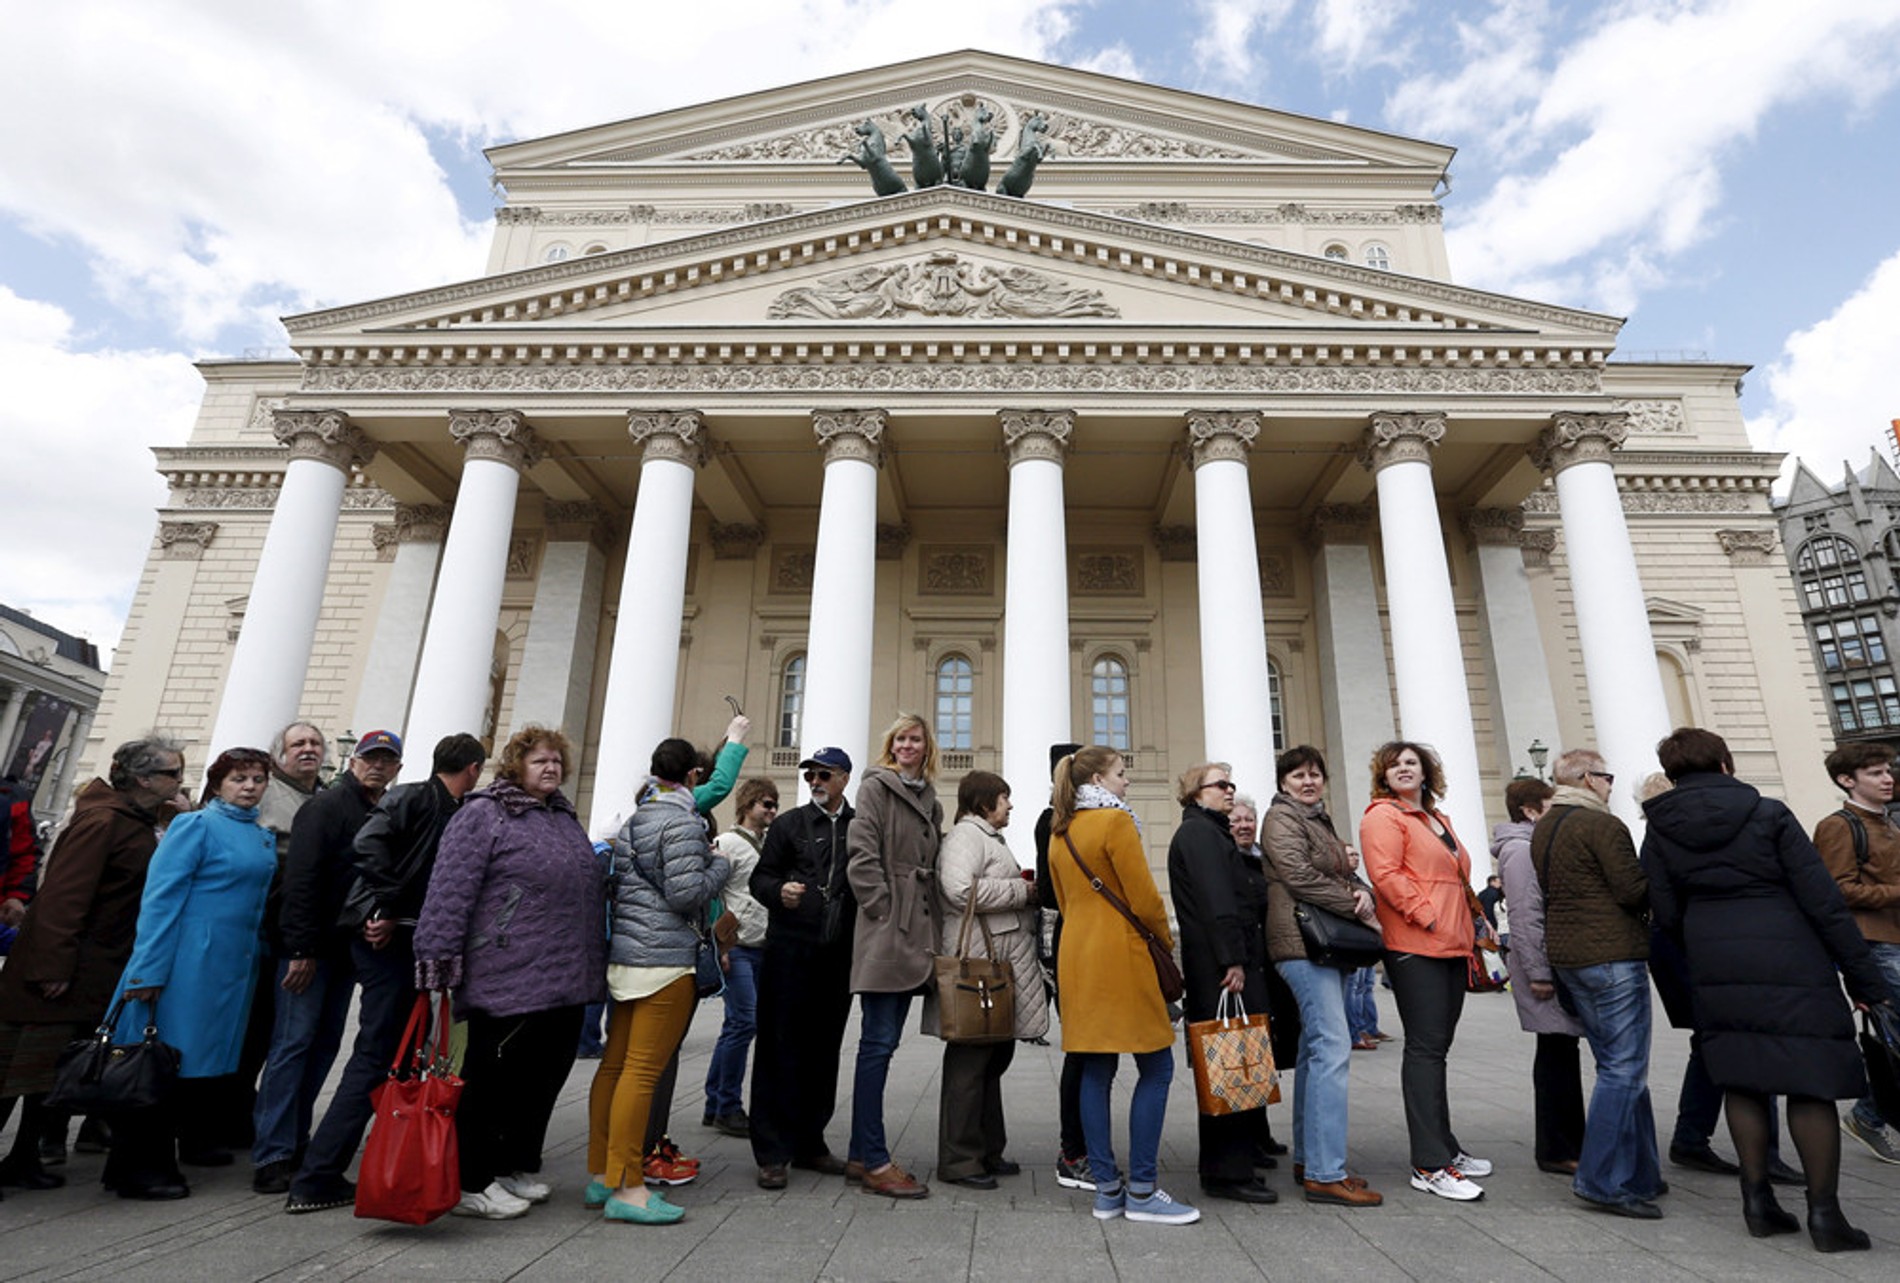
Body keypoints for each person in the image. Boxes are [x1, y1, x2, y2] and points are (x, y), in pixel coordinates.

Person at [1643, 726, 1897, 1253]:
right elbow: (1822, 900)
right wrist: (1863, 978)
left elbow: (1664, 912)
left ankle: (1757, 1204)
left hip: (1715, 959)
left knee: (1743, 1079)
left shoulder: (1660, 828)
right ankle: (1825, 1217)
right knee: (1810, 1084)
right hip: (1790, 955)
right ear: (1725, 763)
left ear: (1672, 774)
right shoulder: (1767, 813)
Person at [284, 732, 487, 1214]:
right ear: (475, 769)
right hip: (388, 942)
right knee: (376, 1055)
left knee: (394, 1054)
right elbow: (368, 846)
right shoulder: (416, 798)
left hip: (403, 939)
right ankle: (317, 1175)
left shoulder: (441, 805)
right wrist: (389, 905)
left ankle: (357, 1163)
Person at [413, 725, 606, 1220]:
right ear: (516, 765)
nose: (551, 769)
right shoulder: (484, 814)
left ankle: (511, 1164)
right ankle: (471, 1180)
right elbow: (450, 889)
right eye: (540, 761)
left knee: (541, 1077)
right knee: (492, 1078)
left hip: (563, 975)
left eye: (557, 762)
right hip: (507, 972)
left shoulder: (561, 816)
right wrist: (438, 959)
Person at [0, 737, 185, 1196]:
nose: (180, 783)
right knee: (11, 1075)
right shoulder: (103, 820)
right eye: (172, 774)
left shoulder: (133, 820)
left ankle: (23, 1157)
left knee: (45, 1078)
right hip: (55, 973)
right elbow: (63, 898)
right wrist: (52, 967)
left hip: (86, 970)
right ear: (143, 779)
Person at [106, 746, 279, 1200]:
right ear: (218, 784)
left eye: (257, 779)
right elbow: (160, 900)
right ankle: (139, 1166)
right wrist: (146, 971)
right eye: (239, 778)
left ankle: (192, 1141)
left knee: (203, 1063)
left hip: (232, 964)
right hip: (186, 962)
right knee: (164, 1062)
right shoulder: (194, 825)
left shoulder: (258, 833)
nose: (249, 787)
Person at [1047, 745, 1199, 1225]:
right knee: (1156, 1066)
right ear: (1097, 778)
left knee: (1095, 1070)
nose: (1127, 781)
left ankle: (1108, 1190)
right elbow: (1145, 899)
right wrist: (1163, 943)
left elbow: (1064, 901)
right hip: (1122, 953)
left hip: (1077, 954)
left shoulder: (1061, 829)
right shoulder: (1115, 822)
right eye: (1120, 772)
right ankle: (1143, 1189)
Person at [249, 729, 402, 1194]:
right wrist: (299, 949)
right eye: (369, 758)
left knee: (323, 1046)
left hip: (345, 950)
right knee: (292, 1046)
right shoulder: (328, 807)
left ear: (396, 768)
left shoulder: (381, 811)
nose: (376, 766)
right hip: (309, 950)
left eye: (386, 760)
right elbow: (302, 881)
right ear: (353, 762)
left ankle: (296, 1141)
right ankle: (273, 1153)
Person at [588, 737, 731, 1226]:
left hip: (627, 954)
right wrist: (721, 864)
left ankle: (600, 1173)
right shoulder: (683, 821)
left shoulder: (638, 818)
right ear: (693, 775)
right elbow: (687, 892)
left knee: (613, 1066)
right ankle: (627, 1187)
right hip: (666, 959)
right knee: (642, 1072)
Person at [1532, 748, 1663, 1218]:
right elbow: (1631, 890)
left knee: (1617, 1067)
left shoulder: (1545, 825)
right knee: (1624, 1069)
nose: (1611, 784)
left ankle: (1643, 1172)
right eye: (1606, 776)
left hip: (1570, 956)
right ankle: (1601, 1179)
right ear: (1589, 779)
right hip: (1610, 953)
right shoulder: (1602, 824)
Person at [1360, 740, 1491, 1202]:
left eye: (1411, 763)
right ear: (1384, 774)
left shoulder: (1437, 820)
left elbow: (1455, 878)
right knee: (1425, 1049)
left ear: (1426, 771)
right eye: (1394, 764)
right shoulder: (1384, 816)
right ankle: (1429, 1164)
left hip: (1452, 944)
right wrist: (1428, 914)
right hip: (1417, 943)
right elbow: (1387, 875)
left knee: (1437, 1049)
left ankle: (1446, 1148)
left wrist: (1469, 922)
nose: (1403, 769)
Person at [1261, 746, 1385, 1208]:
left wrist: (1359, 888)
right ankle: (1326, 1172)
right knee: (1333, 1047)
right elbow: (1297, 875)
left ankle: (1312, 1159)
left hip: (1316, 941)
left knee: (1317, 1051)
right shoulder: (1282, 819)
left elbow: (1337, 870)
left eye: (1315, 774)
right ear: (1283, 781)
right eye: (1298, 775)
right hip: (1299, 941)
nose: (1308, 781)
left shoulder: (1316, 818)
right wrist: (1355, 901)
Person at [208, 721, 326, 1161]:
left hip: (279, 929)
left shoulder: (317, 795)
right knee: (248, 1029)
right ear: (281, 754)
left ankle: (238, 1116)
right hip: (257, 926)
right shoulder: (269, 794)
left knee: (261, 1031)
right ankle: (219, 1119)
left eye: (315, 744)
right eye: (298, 744)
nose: (308, 750)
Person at [931, 770, 1048, 1188]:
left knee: (991, 1060)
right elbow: (960, 890)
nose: (1010, 805)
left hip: (997, 960)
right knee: (971, 1062)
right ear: (984, 802)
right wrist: (1022, 891)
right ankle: (960, 1160)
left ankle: (985, 1150)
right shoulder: (966, 837)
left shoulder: (986, 838)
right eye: (1004, 797)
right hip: (980, 963)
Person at [844, 712, 943, 1199]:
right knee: (877, 1046)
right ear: (891, 744)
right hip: (889, 929)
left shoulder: (931, 799)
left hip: (916, 930)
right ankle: (875, 1161)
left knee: (882, 1045)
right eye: (900, 738)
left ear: (927, 747)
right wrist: (882, 908)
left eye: (916, 739)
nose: (908, 745)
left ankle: (862, 1151)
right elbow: (860, 854)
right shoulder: (875, 788)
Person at [748, 746, 857, 1189]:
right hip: (789, 952)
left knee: (823, 1050)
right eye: (811, 773)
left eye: (825, 774)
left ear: (844, 779)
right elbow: (760, 878)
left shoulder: (858, 827)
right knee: (779, 1048)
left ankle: (810, 1142)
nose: (816, 780)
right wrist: (780, 892)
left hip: (837, 955)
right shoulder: (789, 824)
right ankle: (772, 1151)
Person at [1169, 759, 1276, 1205]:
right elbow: (1218, 902)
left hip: (1220, 963)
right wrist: (1232, 959)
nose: (1229, 791)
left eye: (1231, 784)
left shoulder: (1207, 831)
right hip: (1221, 968)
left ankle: (1238, 1161)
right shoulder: (1200, 834)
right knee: (1228, 1064)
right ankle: (1227, 1172)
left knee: (1235, 1061)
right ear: (1197, 792)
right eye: (1220, 785)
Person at [1490, 776, 1586, 1177]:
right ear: (1530, 811)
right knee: (1557, 1057)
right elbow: (1526, 916)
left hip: (1547, 963)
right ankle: (1557, 1148)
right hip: (1541, 967)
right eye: (1549, 806)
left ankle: (1568, 1143)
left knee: (1561, 1054)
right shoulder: (1522, 850)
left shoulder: (1531, 845)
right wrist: (1539, 973)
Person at [1814, 742, 1900, 1166]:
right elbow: (1836, 890)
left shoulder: (1888, 823)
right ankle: (1869, 1114)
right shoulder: (1839, 826)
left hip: (1894, 939)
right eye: (1876, 773)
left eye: (1888, 771)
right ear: (1847, 780)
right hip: (1874, 944)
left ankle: (1868, 1114)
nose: (1887, 779)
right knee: (1892, 1040)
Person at [1031, 740, 1092, 1190]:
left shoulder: (1058, 819)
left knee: (1087, 1047)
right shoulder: (1057, 822)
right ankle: (1073, 1149)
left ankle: (1081, 1146)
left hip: (1077, 937)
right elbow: (1052, 893)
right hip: (1074, 938)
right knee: (1082, 1047)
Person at [701, 776, 775, 1138]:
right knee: (744, 1023)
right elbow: (712, 893)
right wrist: (721, 948)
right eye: (766, 804)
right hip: (738, 947)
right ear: (748, 805)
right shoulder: (728, 843)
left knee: (737, 1025)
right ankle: (727, 1105)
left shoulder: (766, 844)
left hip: (761, 946)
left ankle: (715, 1103)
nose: (772, 810)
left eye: (774, 804)